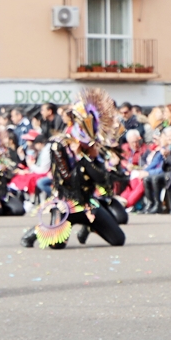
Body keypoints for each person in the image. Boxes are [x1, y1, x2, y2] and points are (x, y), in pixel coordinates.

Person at [21, 88, 126, 248]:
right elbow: (67, 180)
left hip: (88, 203)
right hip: (66, 203)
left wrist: (92, 158)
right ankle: (36, 231)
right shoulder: (59, 145)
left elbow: (103, 181)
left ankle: (89, 226)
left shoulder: (94, 146)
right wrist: (81, 158)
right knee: (56, 244)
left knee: (118, 239)